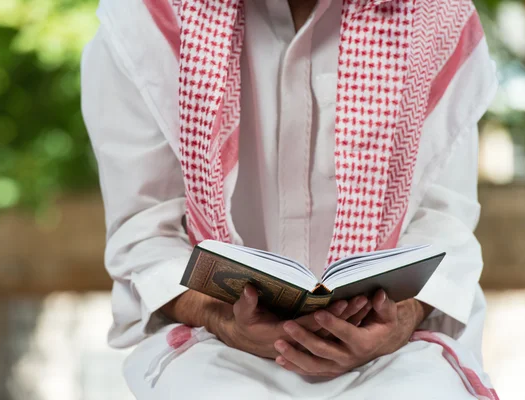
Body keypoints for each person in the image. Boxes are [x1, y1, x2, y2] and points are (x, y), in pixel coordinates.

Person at [81, 0, 500, 398]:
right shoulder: (142, 21)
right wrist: (221, 317)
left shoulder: (435, 15)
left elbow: (446, 225)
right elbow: (144, 234)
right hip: (212, 344)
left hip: (398, 350)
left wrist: (400, 319)